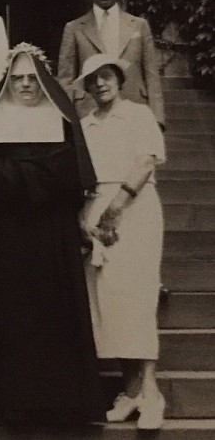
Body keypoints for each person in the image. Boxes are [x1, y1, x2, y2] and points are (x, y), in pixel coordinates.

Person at [0, 43, 105, 426]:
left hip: (52, 233)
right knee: (9, 313)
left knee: (52, 313)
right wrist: (35, 174)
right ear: (7, 80)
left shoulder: (61, 117)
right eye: (17, 78)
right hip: (7, 235)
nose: (25, 85)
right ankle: (4, 401)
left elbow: (71, 173)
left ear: (45, 80)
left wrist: (15, 174)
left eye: (32, 78)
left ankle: (59, 402)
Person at [75, 54, 166, 430]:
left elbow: (146, 163)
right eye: (93, 79)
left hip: (135, 208)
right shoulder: (84, 125)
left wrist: (114, 209)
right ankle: (131, 392)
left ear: (119, 79)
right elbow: (81, 177)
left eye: (107, 76)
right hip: (96, 214)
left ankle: (151, 394)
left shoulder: (139, 115)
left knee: (138, 300)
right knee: (110, 305)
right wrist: (84, 218)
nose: (100, 84)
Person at [57, 0, 165, 129]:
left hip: (135, 109)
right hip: (89, 114)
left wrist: (157, 119)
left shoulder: (139, 25)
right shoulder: (75, 28)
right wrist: (69, 120)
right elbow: (65, 80)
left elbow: (152, 77)